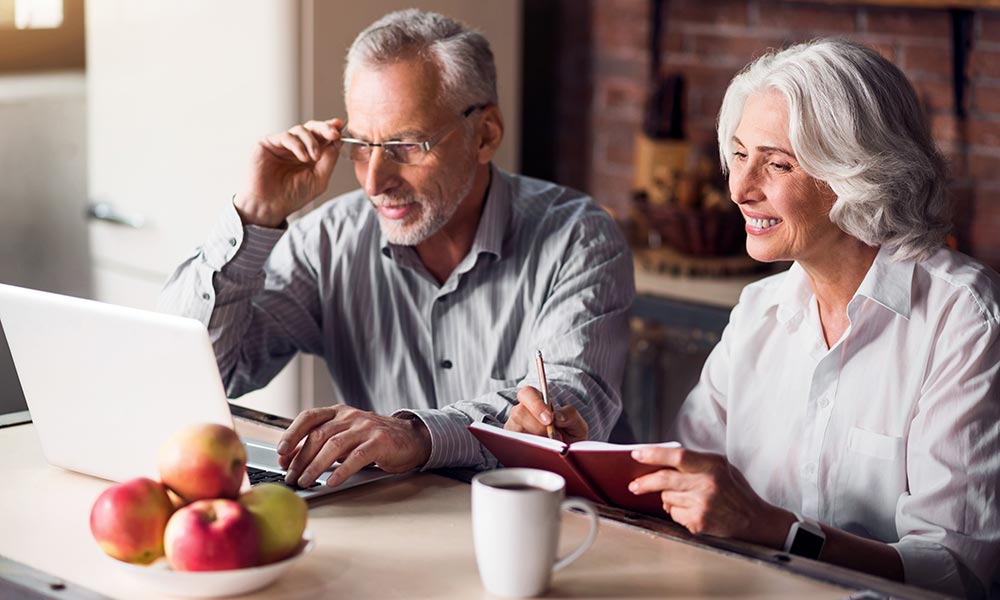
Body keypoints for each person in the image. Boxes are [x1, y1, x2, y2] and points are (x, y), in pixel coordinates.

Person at [536, 39, 1000, 598]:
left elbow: (958, 571)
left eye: (776, 163)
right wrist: (583, 456)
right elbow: (687, 488)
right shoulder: (759, 310)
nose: (738, 189)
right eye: (737, 155)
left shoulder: (963, 319)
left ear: (859, 172)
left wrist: (778, 531)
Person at [158, 10, 632, 490]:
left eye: (405, 145)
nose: (373, 181)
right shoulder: (327, 241)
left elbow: (573, 407)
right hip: (399, 523)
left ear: (485, 134)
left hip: (557, 529)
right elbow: (195, 376)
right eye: (361, 146)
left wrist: (418, 435)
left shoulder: (578, 237)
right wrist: (255, 214)